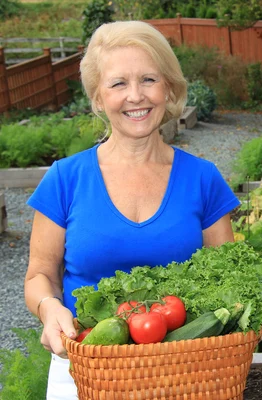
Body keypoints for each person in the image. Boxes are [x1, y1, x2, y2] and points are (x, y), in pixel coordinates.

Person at [23, 21, 247, 400]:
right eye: (118, 84)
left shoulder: (202, 179)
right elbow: (39, 275)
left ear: (169, 88)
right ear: (97, 98)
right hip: (84, 371)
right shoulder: (66, 179)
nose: (136, 96)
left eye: (148, 79)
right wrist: (48, 308)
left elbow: (229, 275)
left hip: (186, 374)